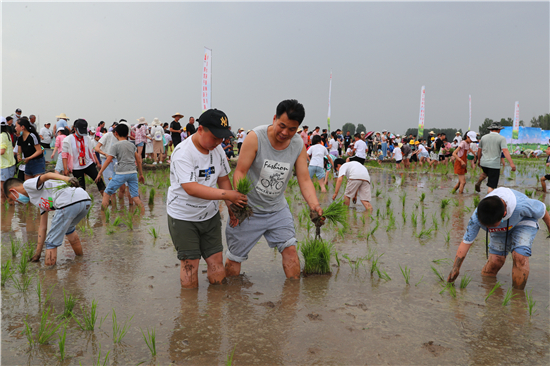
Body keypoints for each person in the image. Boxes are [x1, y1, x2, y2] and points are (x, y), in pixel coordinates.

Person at [225, 99, 324, 279]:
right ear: (274, 119)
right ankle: (234, 302)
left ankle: (292, 301)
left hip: (277, 210)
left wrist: (314, 205)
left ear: (298, 128)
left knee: (291, 252)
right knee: (234, 259)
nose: (285, 133)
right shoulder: (256, 137)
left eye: (292, 129)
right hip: (250, 210)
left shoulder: (298, 145)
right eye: (282, 126)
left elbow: (304, 179)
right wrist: (240, 202)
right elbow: (240, 171)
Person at [167, 108, 246, 288]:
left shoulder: (217, 150)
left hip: (209, 215)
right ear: (200, 129)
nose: (218, 142)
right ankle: (190, 312)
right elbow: (191, 188)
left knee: (216, 260)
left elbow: (223, 179)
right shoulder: (183, 153)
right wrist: (228, 195)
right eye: (215, 137)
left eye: (222, 138)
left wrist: (230, 207)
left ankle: (216, 309)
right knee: (190, 264)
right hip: (183, 217)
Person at [447, 187, 550, 290]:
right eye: (485, 226)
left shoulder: (522, 205)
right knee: (496, 261)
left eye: (490, 226)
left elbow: (543, 212)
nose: (487, 228)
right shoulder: (477, 216)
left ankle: (517, 298)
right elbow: (466, 242)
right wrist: (455, 268)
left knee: (520, 257)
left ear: (504, 215)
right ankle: (491, 298)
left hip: (524, 221)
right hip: (500, 227)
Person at [4, 173, 90, 266]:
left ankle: (49, 274)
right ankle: (80, 259)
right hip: (85, 201)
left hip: (68, 203)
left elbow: (46, 175)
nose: (16, 201)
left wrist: (68, 179)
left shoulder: (27, 185)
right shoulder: (37, 199)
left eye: (12, 199)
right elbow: (42, 227)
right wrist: (38, 253)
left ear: (12, 191)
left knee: (51, 242)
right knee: (69, 229)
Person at [96, 123, 145, 212]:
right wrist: (141, 174)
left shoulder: (115, 146)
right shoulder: (132, 145)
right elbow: (138, 161)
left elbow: (108, 160)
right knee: (135, 197)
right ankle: (142, 216)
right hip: (133, 173)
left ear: (116, 133)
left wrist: (100, 173)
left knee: (107, 193)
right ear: (127, 134)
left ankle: (103, 218)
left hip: (121, 173)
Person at [62, 119, 106, 193]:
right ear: (75, 129)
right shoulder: (68, 140)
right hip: (76, 167)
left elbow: (92, 152)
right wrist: (65, 168)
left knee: (100, 182)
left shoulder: (87, 138)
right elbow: (64, 155)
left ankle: (106, 201)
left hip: (88, 164)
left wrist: (97, 163)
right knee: (80, 188)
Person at [474, 122, 516, 193]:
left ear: (491, 129)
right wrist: (511, 163)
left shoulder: (483, 137)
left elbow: (479, 150)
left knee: (486, 172)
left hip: (484, 163)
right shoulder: (501, 138)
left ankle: (479, 181)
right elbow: (505, 150)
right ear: (499, 130)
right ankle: (489, 199)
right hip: (494, 165)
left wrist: (479, 161)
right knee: (491, 185)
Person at [1, 117, 17, 203]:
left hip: (4, 165)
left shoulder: (1, 136)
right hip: (10, 164)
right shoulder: (7, 134)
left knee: (4, 190)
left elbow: (2, 151)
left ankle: (6, 209)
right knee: (9, 188)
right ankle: (10, 207)